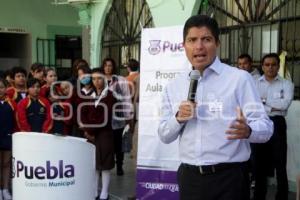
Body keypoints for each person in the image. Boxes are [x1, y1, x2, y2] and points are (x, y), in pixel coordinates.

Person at [158, 15, 273, 200]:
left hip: (230, 179)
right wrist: (178, 118)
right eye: (192, 40)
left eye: (206, 39)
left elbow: (266, 128)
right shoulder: (174, 86)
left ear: (217, 43)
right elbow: (164, 135)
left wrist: (249, 130)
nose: (199, 47)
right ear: (183, 45)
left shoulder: (239, 79)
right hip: (190, 179)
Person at [253, 53, 294, 200]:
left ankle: (282, 196)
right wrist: (266, 106)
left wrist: (264, 104)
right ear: (262, 66)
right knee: (259, 164)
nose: (270, 67)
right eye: (267, 64)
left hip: (277, 124)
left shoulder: (287, 84)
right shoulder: (254, 83)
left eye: (273, 64)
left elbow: (284, 106)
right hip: (259, 123)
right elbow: (252, 105)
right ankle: (258, 196)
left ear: (278, 66)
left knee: (280, 163)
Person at [80, 68, 117, 200]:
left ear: (104, 79)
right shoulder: (89, 95)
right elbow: (82, 113)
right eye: (94, 79)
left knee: (105, 165)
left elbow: (104, 118)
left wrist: (89, 130)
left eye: (99, 78)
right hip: (91, 134)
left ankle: (104, 193)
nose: (96, 81)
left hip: (104, 134)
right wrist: (86, 130)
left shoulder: (110, 96)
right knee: (94, 165)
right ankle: (94, 191)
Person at [100, 58, 133, 176]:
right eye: (106, 65)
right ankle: (104, 166)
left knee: (119, 143)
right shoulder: (99, 79)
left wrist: (128, 115)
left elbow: (126, 98)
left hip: (118, 116)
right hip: (103, 116)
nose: (108, 68)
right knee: (104, 143)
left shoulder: (120, 80)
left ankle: (119, 165)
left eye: (110, 65)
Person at [0, 78, 16, 200]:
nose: (0, 90)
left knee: (6, 164)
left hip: (7, 137)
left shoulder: (11, 102)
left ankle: (5, 189)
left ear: (6, 88)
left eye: (1, 87)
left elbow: (16, 121)